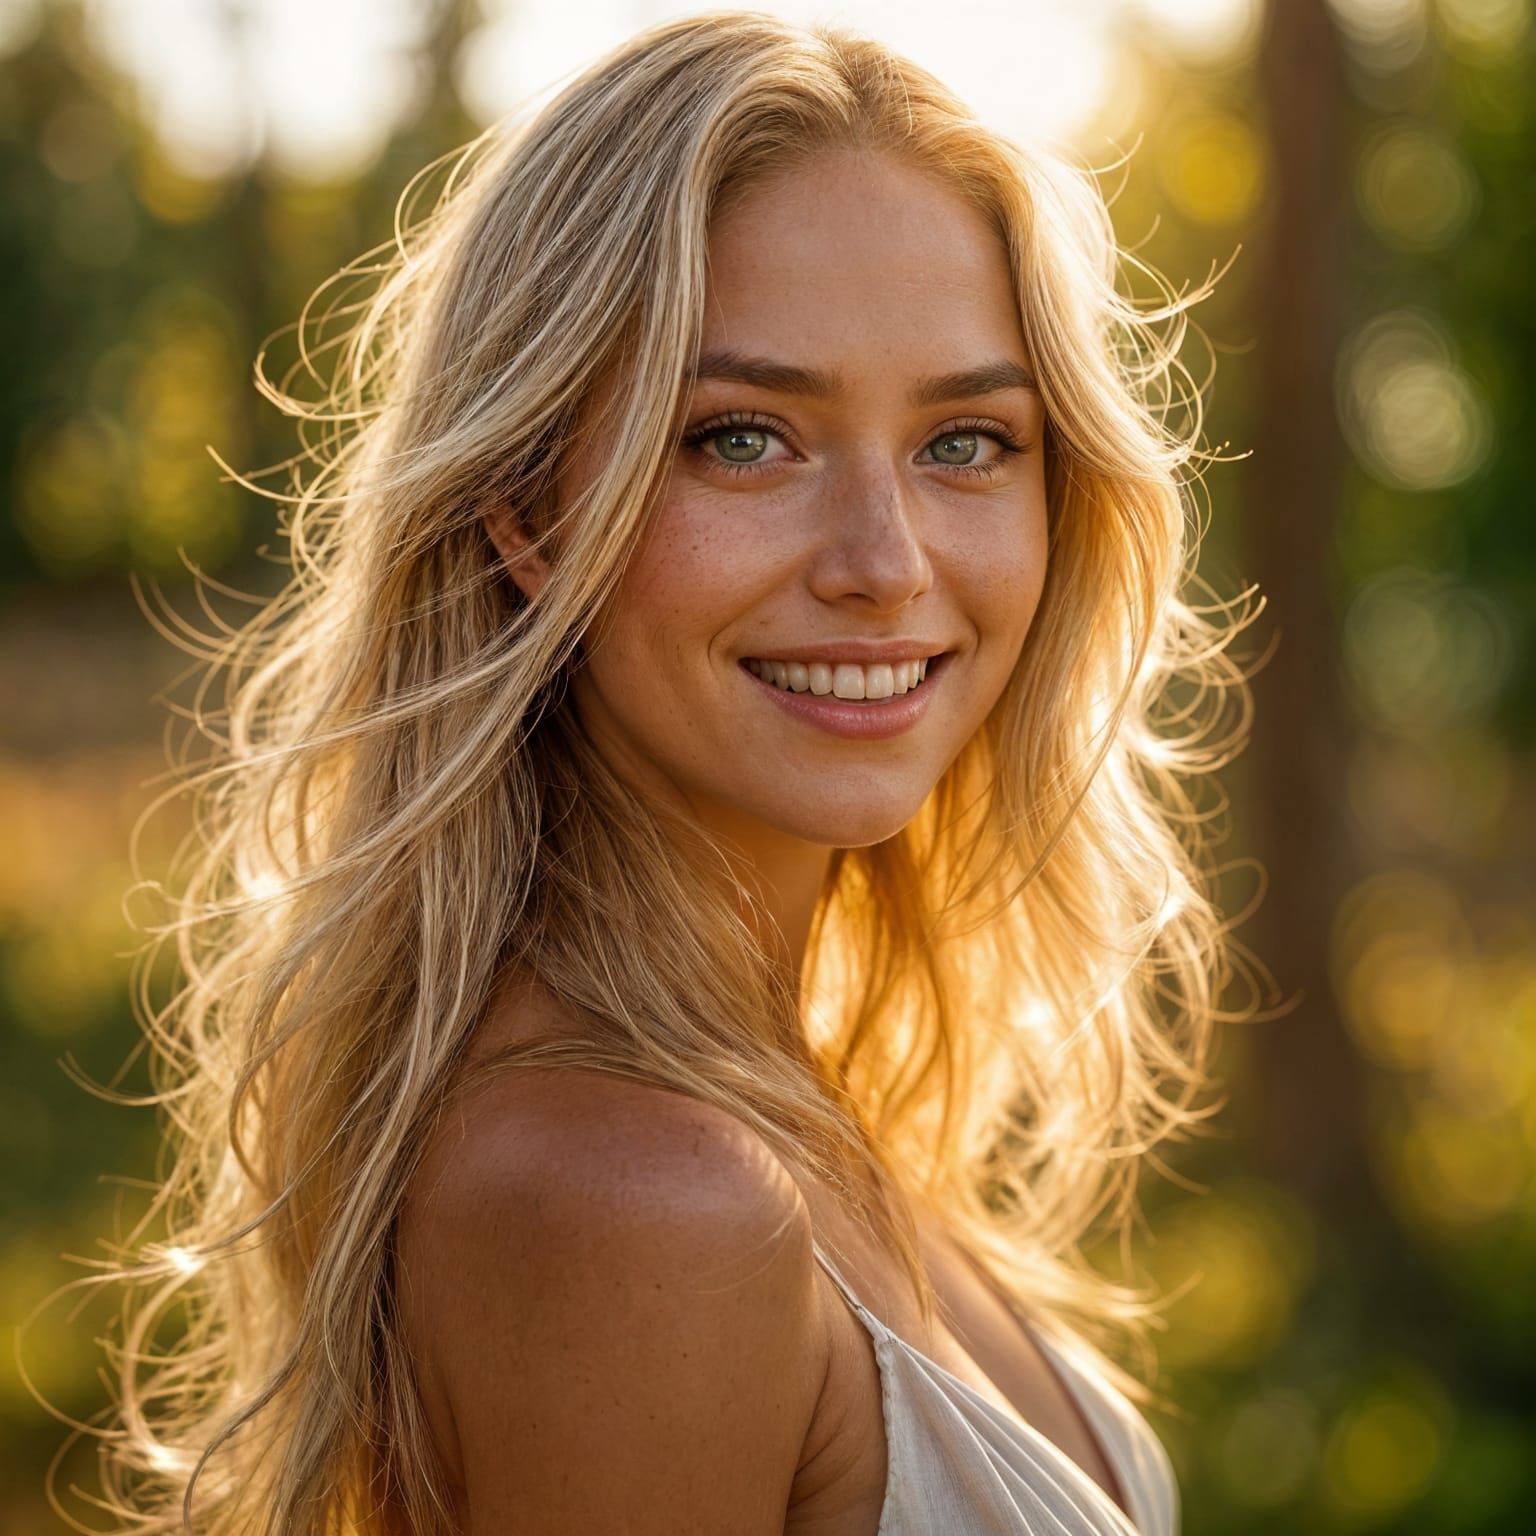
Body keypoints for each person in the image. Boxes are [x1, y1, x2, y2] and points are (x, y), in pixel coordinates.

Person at [70, 10, 1261, 1533]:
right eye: (746, 439)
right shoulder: (631, 1199)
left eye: (967, 442)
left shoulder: (779, 1097)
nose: (886, 569)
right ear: (525, 510)